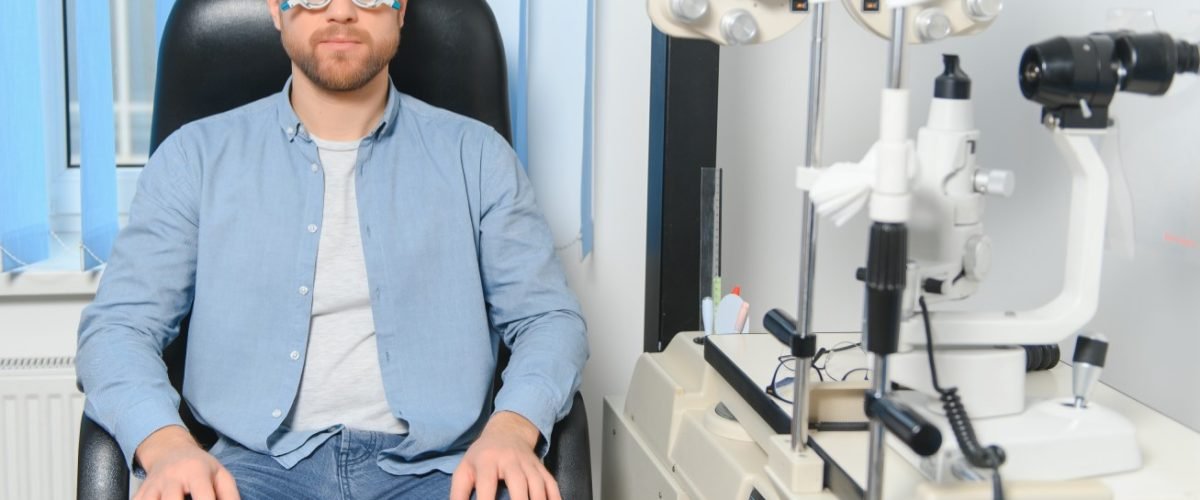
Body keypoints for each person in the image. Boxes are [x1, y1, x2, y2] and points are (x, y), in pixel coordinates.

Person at [75, 0, 588, 498]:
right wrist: (166, 445)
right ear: (277, 8)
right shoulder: (193, 158)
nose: (340, 11)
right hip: (247, 473)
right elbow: (118, 330)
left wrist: (513, 429)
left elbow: (548, 320)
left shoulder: (478, 157)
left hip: (442, 470)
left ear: (401, 9)